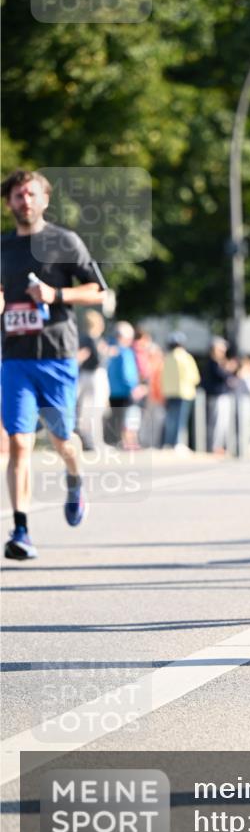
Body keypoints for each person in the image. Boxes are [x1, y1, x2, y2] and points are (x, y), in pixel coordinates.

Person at [1, 168, 106, 560]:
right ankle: (22, 530)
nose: (24, 201)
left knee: (63, 441)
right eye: (17, 196)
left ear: (44, 200)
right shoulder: (3, 247)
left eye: (30, 194)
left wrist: (54, 293)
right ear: (9, 202)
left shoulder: (64, 241)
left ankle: (76, 478)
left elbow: (97, 291)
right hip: (14, 357)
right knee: (18, 442)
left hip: (57, 356)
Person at [106, 321, 145, 450]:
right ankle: (129, 443)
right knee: (129, 419)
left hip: (112, 391)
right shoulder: (125, 352)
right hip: (125, 391)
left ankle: (118, 442)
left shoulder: (109, 348)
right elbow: (127, 374)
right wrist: (134, 387)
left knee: (117, 419)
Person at [76, 308, 109, 451]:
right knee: (96, 408)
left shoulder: (82, 338)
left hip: (83, 375)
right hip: (95, 375)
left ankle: (87, 440)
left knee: (85, 409)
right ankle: (95, 441)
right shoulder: (95, 339)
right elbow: (97, 359)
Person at [161, 331, 200, 448]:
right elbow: (195, 377)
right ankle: (177, 443)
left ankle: (168, 442)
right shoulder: (185, 357)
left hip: (169, 392)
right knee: (180, 420)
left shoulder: (167, 357)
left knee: (170, 419)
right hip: (184, 392)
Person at [204, 336, 235, 455]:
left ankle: (220, 446)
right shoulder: (213, 363)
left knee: (223, 423)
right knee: (217, 423)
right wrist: (228, 368)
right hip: (217, 396)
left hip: (223, 396)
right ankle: (215, 446)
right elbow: (223, 376)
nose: (223, 352)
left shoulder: (219, 363)